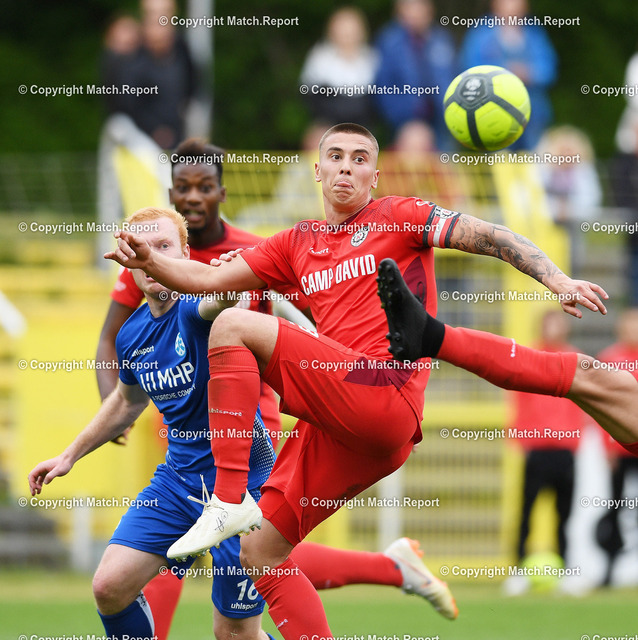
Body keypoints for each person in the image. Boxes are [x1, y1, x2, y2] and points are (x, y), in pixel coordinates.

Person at [104, 122, 638, 639]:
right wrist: (150, 261)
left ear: (375, 176)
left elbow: (490, 236)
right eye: (335, 157)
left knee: (232, 325)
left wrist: (556, 278)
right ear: (317, 170)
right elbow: (205, 277)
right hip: (343, 422)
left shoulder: (401, 215)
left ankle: (225, 498)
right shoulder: (295, 243)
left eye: (359, 160)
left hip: (382, 393)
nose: (346, 168)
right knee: (259, 552)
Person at [31, 207, 458, 640]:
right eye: (142, 247)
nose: (151, 256)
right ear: (128, 260)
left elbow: (221, 302)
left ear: (184, 255)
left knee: (235, 633)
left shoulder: (195, 309)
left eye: (163, 247)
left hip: (242, 493)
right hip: (177, 482)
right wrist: (68, 457)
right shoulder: (132, 334)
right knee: (109, 587)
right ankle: (392, 567)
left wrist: (228, 285)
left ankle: (390, 569)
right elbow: (127, 401)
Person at [94, 138, 307, 638]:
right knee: (143, 573)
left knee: (237, 613)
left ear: (221, 193)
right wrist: (113, 412)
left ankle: (390, 567)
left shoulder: (251, 252)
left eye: (204, 186)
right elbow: (112, 341)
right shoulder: (149, 259)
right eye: (183, 187)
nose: (193, 196)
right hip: (183, 442)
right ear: (171, 193)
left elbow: (303, 316)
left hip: (248, 434)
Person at [503, 310, 586, 596]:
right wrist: (520, 436)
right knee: (527, 512)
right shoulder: (530, 356)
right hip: (536, 450)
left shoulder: (575, 357)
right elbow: (519, 398)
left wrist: (576, 439)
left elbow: (581, 404)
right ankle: (518, 570)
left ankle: (566, 569)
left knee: (565, 515)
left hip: (565, 451)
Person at [460, 0, 558, 150]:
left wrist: (529, 73)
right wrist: (504, 73)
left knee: (534, 159)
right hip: (493, 112)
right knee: (500, 158)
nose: (513, 7)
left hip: (533, 114)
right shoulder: (481, 34)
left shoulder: (535, 33)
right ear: (495, 5)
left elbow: (549, 69)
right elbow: (469, 68)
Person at [374, 0, 456, 147]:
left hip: (442, 123)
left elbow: (453, 79)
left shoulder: (442, 39)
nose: (416, 12)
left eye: (420, 6)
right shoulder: (388, 42)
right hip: (404, 125)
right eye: (410, 6)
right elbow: (383, 88)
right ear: (399, 11)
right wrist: (404, 120)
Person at [595, 308, 638, 586]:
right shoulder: (609, 358)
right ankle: (610, 567)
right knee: (615, 505)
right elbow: (600, 407)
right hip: (620, 449)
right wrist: (606, 446)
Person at [300, 7, 378, 127]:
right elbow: (308, 95)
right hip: (327, 123)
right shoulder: (320, 59)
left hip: (365, 124)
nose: (347, 34)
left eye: (352, 29)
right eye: (342, 29)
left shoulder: (372, 58)